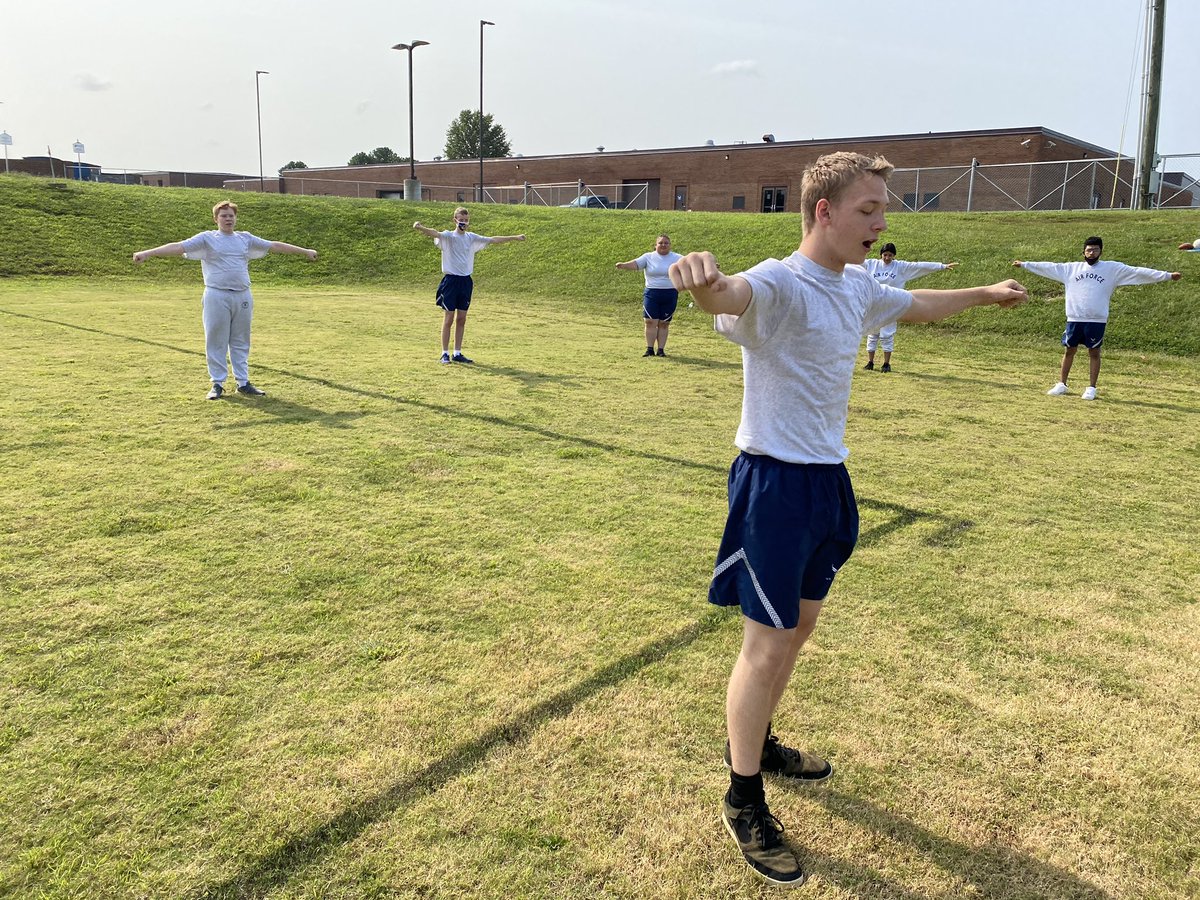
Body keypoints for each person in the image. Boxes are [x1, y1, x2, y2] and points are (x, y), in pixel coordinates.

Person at [669, 151, 1026, 887]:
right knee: (765, 645)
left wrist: (986, 294)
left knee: (799, 629)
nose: (881, 223)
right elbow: (728, 295)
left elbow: (916, 304)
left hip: (829, 482)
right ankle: (742, 798)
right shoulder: (778, 281)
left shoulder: (857, 285)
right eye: (869, 210)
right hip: (773, 485)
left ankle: (758, 742)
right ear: (823, 211)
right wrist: (702, 280)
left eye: (882, 209)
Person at [132, 200, 318, 400]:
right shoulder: (207, 238)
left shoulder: (245, 238)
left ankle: (243, 382)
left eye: (231, 215)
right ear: (216, 219)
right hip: (216, 295)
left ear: (235, 218)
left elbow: (273, 245)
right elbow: (178, 247)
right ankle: (217, 383)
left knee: (241, 340)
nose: (228, 219)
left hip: (242, 295)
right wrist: (147, 253)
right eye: (224, 216)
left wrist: (305, 251)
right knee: (216, 339)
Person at [1014, 237, 1181, 401]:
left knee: (1094, 352)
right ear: (1083, 252)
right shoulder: (1070, 269)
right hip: (1074, 318)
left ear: (1101, 251)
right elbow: (1048, 267)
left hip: (1096, 319)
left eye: (1095, 250)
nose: (1091, 253)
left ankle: (1091, 388)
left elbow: (1137, 272)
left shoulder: (1112, 269)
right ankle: (1062, 384)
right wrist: (1024, 264)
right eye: (1088, 250)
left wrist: (1167, 276)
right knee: (1069, 350)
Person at [413, 208, 526, 364]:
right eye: (461, 220)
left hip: (465, 282)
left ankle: (457, 353)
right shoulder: (448, 236)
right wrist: (420, 227)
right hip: (451, 281)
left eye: (466, 220)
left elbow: (493, 239)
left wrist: (515, 237)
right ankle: (444, 353)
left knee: (462, 319)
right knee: (449, 318)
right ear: (455, 220)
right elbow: (435, 233)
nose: (464, 223)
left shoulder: (471, 238)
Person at [861, 242, 957, 371]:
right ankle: (870, 362)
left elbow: (919, 266)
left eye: (890, 255)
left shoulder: (900, 267)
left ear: (894, 256)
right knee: (872, 333)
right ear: (881, 255)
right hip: (875, 304)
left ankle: (886, 364)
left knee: (887, 335)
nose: (887, 258)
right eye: (885, 255)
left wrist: (941, 266)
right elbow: (852, 263)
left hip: (892, 305)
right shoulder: (871, 264)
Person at [615, 234, 684, 356]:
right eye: (660, 243)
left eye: (666, 243)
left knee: (664, 323)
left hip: (670, 293)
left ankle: (661, 350)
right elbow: (636, 264)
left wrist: (711, 267)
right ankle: (650, 349)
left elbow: (693, 265)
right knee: (650, 321)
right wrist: (623, 265)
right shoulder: (648, 257)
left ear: (670, 245)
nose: (663, 245)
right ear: (655, 245)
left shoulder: (678, 258)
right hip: (652, 293)